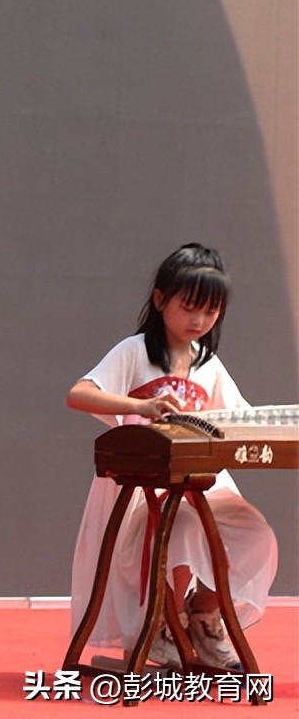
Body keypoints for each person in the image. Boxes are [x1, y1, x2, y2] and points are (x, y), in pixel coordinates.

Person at [65, 243, 277, 671]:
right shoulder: (135, 351)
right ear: (160, 300)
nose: (199, 321)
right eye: (189, 307)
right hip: (142, 484)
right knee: (180, 528)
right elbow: (78, 394)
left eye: (211, 311)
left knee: (257, 537)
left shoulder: (207, 363)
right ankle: (164, 624)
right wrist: (141, 407)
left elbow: (241, 416)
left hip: (200, 481)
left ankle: (201, 616)